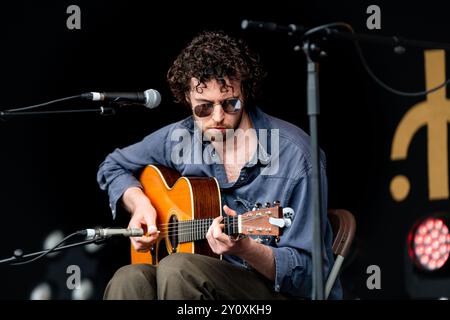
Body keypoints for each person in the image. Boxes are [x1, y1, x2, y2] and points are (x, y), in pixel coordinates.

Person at [97, 30, 342, 300]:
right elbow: (114, 166)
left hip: (272, 295)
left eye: (230, 103)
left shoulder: (296, 157)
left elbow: (312, 278)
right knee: (128, 279)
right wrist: (140, 205)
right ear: (187, 99)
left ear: (244, 94)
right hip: (198, 280)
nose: (217, 117)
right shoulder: (182, 138)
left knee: (179, 269)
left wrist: (246, 249)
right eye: (203, 107)